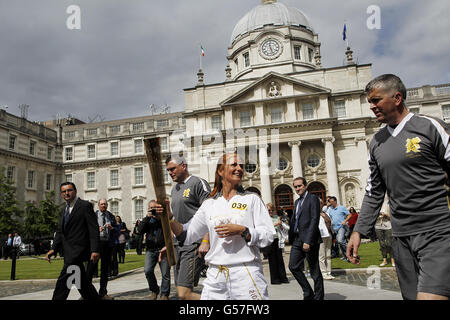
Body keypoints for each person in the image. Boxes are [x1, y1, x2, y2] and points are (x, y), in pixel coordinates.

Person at [347, 73, 450, 300]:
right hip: (401, 237)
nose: (372, 107)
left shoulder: (430, 127)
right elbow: (374, 192)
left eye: (376, 100)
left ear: (397, 98)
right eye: (369, 102)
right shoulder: (376, 142)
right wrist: (358, 231)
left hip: (437, 231)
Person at [157, 152, 275, 300]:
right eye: (234, 165)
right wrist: (170, 218)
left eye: (241, 166)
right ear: (220, 171)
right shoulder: (210, 204)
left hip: (246, 272)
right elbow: (187, 235)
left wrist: (242, 230)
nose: (239, 168)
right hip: (216, 275)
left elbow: (269, 235)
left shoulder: (252, 199)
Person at [165, 154, 211, 300]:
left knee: (184, 293)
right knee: (181, 291)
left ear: (183, 166)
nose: (170, 173)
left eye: (172, 169)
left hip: (193, 244)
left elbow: (210, 213)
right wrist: (169, 243)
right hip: (178, 244)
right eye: (168, 170)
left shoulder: (198, 183)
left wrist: (205, 240)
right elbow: (176, 219)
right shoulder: (175, 189)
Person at [45, 182, 101, 300]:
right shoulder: (63, 210)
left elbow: (93, 228)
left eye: (69, 190)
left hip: (78, 251)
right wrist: (53, 249)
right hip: (68, 251)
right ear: (61, 194)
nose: (67, 193)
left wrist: (95, 250)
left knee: (63, 283)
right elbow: (60, 232)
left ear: (75, 191)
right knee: (83, 284)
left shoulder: (85, 206)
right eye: (64, 191)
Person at [288, 177, 324, 300]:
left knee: (314, 270)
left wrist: (308, 240)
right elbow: (295, 219)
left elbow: (315, 219)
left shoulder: (313, 199)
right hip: (297, 239)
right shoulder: (297, 202)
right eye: (295, 187)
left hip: (310, 239)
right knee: (293, 266)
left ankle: (318, 297)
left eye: (299, 186)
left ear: (305, 186)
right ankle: (308, 292)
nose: (298, 188)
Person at [86, 198, 117, 300]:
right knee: (90, 270)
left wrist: (112, 228)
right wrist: (96, 229)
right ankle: (85, 293)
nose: (104, 205)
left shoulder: (111, 216)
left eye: (105, 204)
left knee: (105, 270)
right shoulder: (93, 216)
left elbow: (117, 229)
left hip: (107, 244)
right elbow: (86, 229)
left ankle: (103, 293)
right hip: (96, 245)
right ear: (98, 205)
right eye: (102, 204)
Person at [139, 200, 171, 300]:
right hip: (151, 250)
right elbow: (140, 230)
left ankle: (164, 294)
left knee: (165, 274)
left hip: (163, 249)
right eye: (151, 208)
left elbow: (169, 231)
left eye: (155, 208)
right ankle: (154, 290)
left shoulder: (163, 218)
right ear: (148, 209)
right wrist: (147, 217)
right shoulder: (147, 220)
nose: (153, 210)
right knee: (148, 270)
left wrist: (159, 216)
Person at [266, 203, 289, 285]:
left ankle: (283, 277)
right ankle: (275, 279)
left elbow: (281, 226)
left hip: (278, 239)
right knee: (272, 260)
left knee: (280, 259)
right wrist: (275, 224)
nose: (271, 211)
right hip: (270, 240)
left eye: (272, 210)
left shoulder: (276, 217)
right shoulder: (265, 218)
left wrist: (281, 225)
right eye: (269, 210)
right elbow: (266, 228)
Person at [328, 196, 351, 262]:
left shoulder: (341, 208)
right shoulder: (330, 209)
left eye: (332, 202)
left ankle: (349, 254)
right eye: (330, 202)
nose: (330, 203)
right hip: (335, 228)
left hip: (341, 226)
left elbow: (349, 215)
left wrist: (345, 221)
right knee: (339, 242)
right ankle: (345, 256)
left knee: (341, 241)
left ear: (335, 201)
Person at [318, 199, 334, 280]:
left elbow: (330, 222)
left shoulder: (325, 213)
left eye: (321, 203)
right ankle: (323, 272)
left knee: (328, 255)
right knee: (322, 256)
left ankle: (329, 272)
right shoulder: (314, 214)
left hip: (328, 235)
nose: (320, 204)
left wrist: (326, 218)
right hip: (321, 236)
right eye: (319, 203)